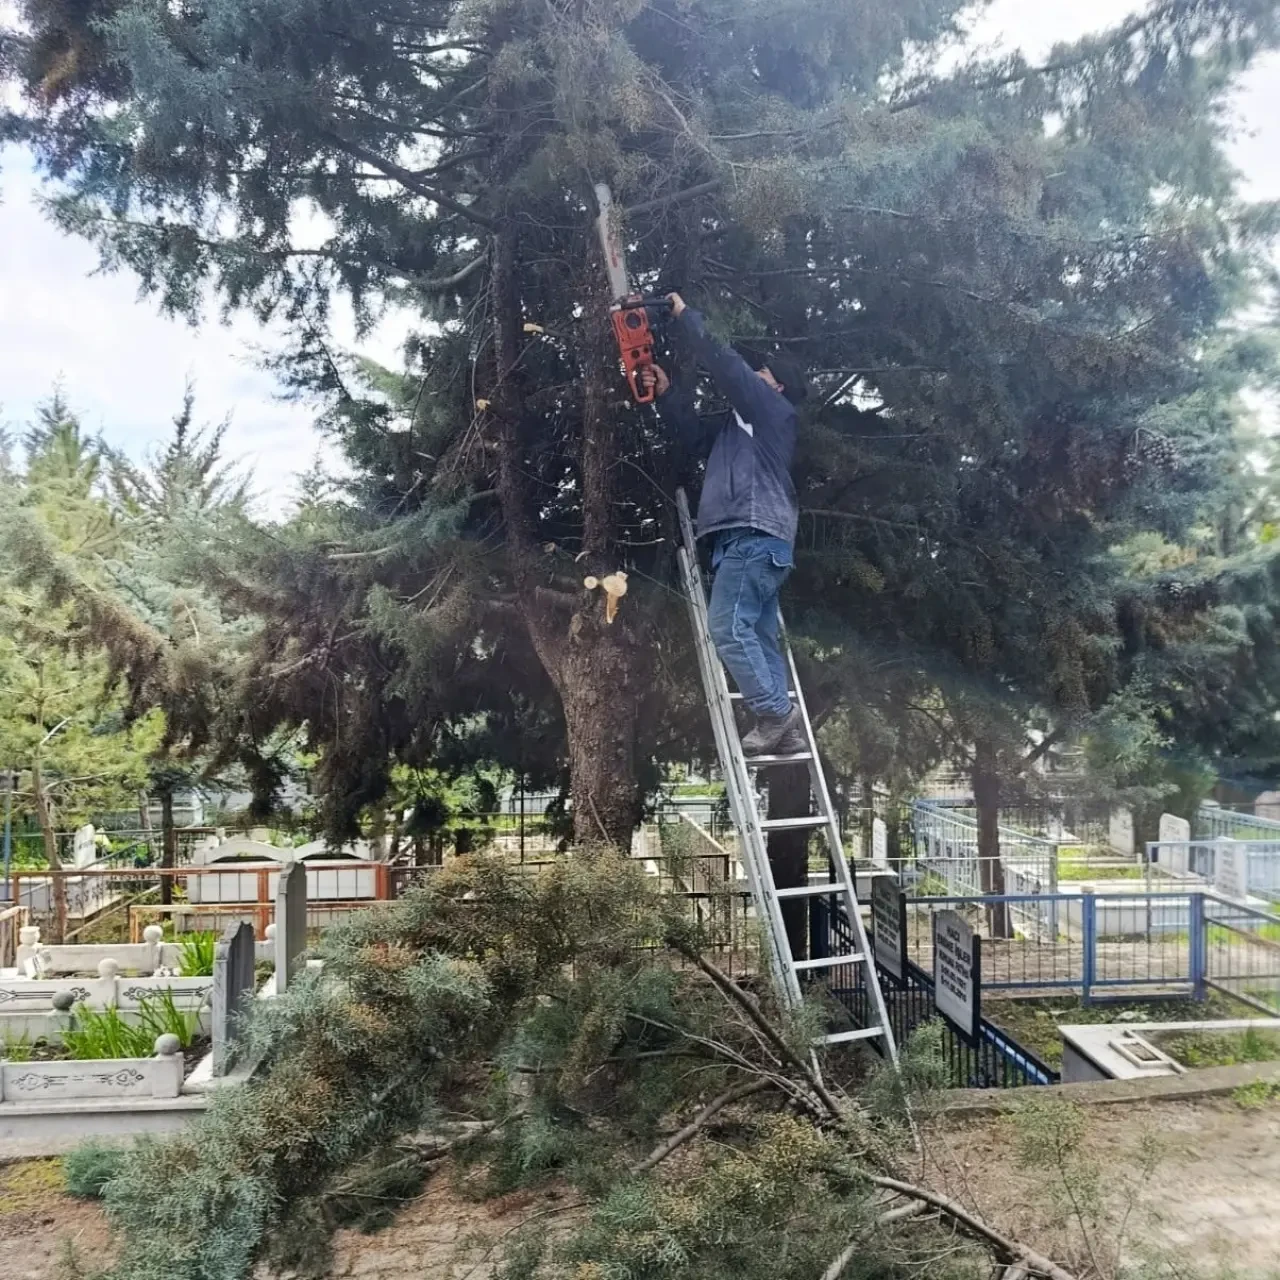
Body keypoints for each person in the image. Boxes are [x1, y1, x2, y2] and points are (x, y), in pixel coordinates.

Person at [641, 292, 808, 755]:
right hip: (754, 541)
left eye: (763, 375)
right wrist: (668, 391)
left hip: (753, 538)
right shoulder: (738, 429)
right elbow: (695, 438)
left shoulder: (774, 413)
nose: (754, 376)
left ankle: (775, 714)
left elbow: (730, 369)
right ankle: (786, 732)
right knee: (754, 633)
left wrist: (686, 318)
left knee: (727, 628)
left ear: (773, 388)